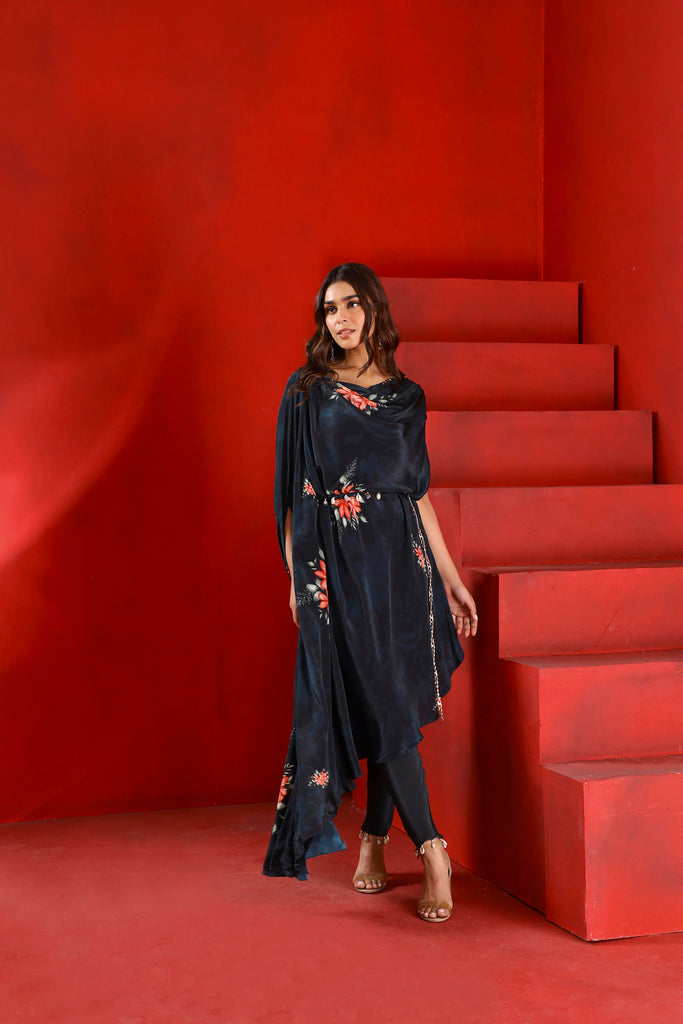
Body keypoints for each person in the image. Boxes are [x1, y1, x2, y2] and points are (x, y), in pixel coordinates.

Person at [263, 263, 478, 923]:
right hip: (338, 566)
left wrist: (450, 577)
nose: (341, 319)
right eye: (330, 309)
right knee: (382, 700)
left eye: (352, 304)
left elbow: (417, 496)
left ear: (375, 310)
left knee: (395, 703)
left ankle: (374, 839)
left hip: (403, 565)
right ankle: (433, 850)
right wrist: (299, 580)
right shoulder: (307, 391)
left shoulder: (407, 397)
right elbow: (293, 495)